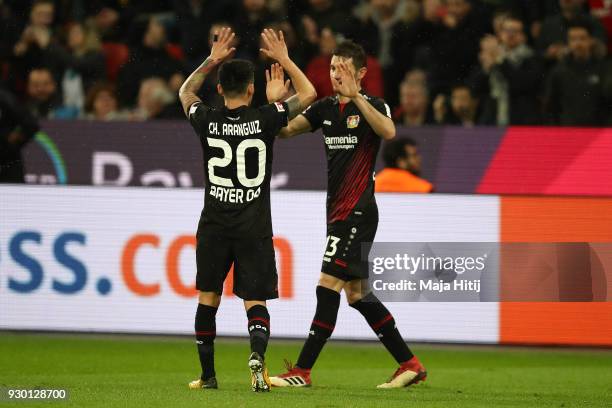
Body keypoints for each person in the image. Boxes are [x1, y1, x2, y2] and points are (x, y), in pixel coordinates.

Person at [269, 40, 427, 389]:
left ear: (360, 73)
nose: (335, 74)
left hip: (359, 211)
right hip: (337, 212)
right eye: (332, 68)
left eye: (342, 68)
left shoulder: (373, 105)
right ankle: (410, 364)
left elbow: (389, 131)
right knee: (357, 294)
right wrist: (276, 104)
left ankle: (302, 371)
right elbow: (283, 130)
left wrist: (357, 97)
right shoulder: (325, 109)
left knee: (327, 287)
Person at [178, 27, 316, 392]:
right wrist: (284, 59)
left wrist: (212, 59)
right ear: (252, 89)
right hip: (253, 227)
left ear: (220, 89)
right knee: (254, 299)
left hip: (214, 226)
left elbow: (185, 92)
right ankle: (257, 357)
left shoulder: (207, 120)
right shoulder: (266, 119)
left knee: (209, 297)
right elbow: (309, 94)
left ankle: (208, 376)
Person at [545, 19, 612, 125]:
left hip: (599, 133)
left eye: (582, 38)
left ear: (591, 41)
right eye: (573, 39)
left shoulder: (605, 69)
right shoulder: (559, 71)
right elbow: (551, 106)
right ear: (568, 42)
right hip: (569, 133)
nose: (578, 43)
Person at [0, 88, 40, 183]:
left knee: (12, 196)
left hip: (7, 163)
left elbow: (31, 124)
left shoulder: (4, 98)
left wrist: (10, 144)